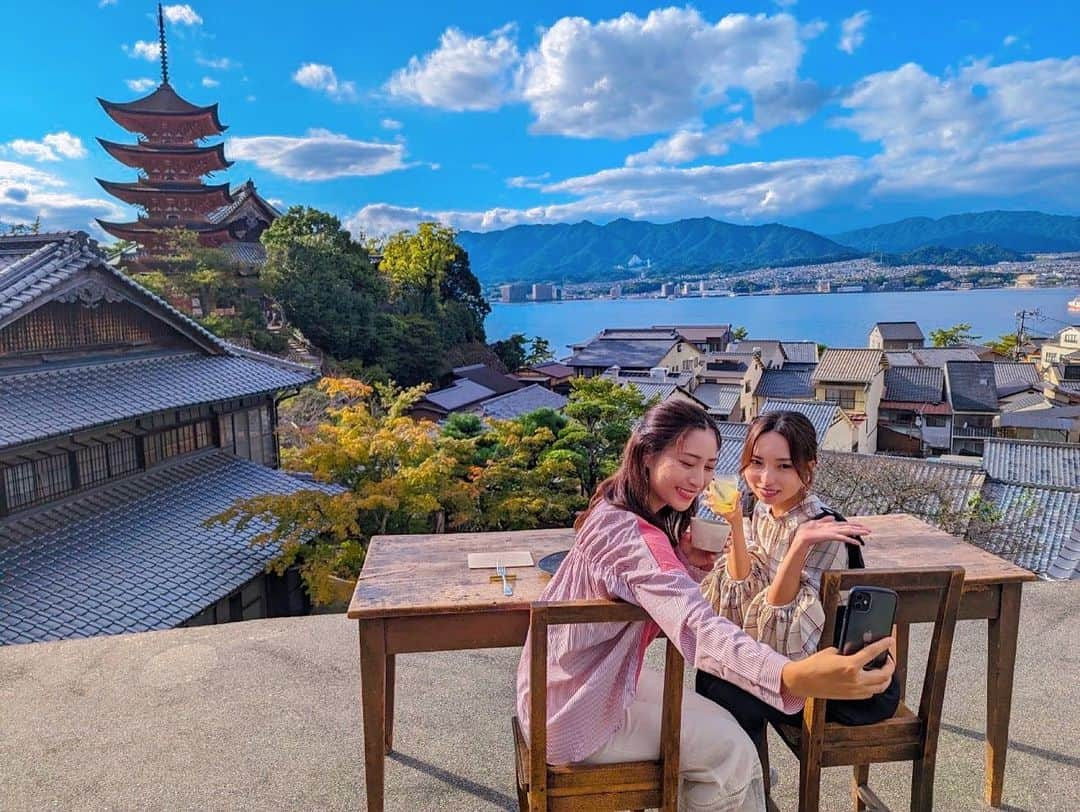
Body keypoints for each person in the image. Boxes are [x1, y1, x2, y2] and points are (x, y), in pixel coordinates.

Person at [515, 400, 895, 812]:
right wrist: (790, 675)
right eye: (687, 462)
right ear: (647, 454)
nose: (698, 480)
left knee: (729, 726)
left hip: (560, 684)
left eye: (709, 467)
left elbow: (660, 601)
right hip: (573, 713)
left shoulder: (614, 506)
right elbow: (697, 625)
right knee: (731, 754)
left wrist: (683, 565)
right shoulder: (639, 538)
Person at [697, 410, 893, 744]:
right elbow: (744, 594)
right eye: (756, 462)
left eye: (784, 466)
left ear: (809, 468)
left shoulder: (825, 531)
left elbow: (783, 625)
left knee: (721, 683)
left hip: (848, 682)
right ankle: (748, 777)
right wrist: (734, 523)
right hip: (802, 667)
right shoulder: (762, 509)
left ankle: (749, 786)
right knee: (715, 672)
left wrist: (799, 545)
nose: (765, 478)